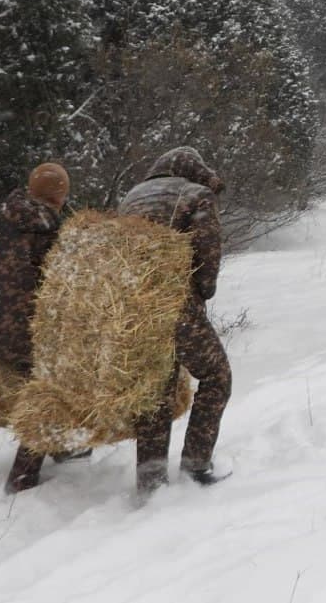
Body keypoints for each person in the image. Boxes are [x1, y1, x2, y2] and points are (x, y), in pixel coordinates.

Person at [117, 147, 232, 496]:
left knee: (155, 389)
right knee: (216, 376)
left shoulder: (130, 199)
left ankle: (150, 481)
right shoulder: (196, 195)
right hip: (174, 304)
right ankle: (196, 465)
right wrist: (202, 292)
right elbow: (207, 250)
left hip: (133, 309)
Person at [0, 162, 85, 494]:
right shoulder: (47, 229)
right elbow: (61, 284)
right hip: (33, 330)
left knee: (38, 393)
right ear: (59, 195)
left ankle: (63, 448)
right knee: (47, 398)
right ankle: (22, 479)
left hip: (2, 328)